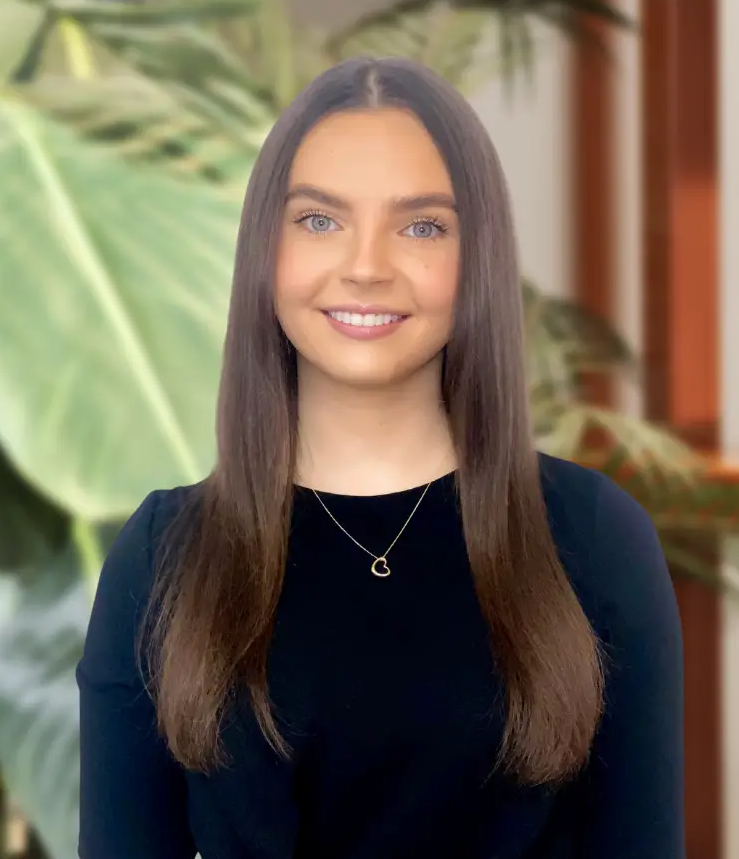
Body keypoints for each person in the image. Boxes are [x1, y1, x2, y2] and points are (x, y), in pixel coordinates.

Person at [76, 56, 685, 859]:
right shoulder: (163, 556)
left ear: (479, 259)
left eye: (421, 225)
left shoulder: (597, 540)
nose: (366, 265)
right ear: (267, 249)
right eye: (320, 220)